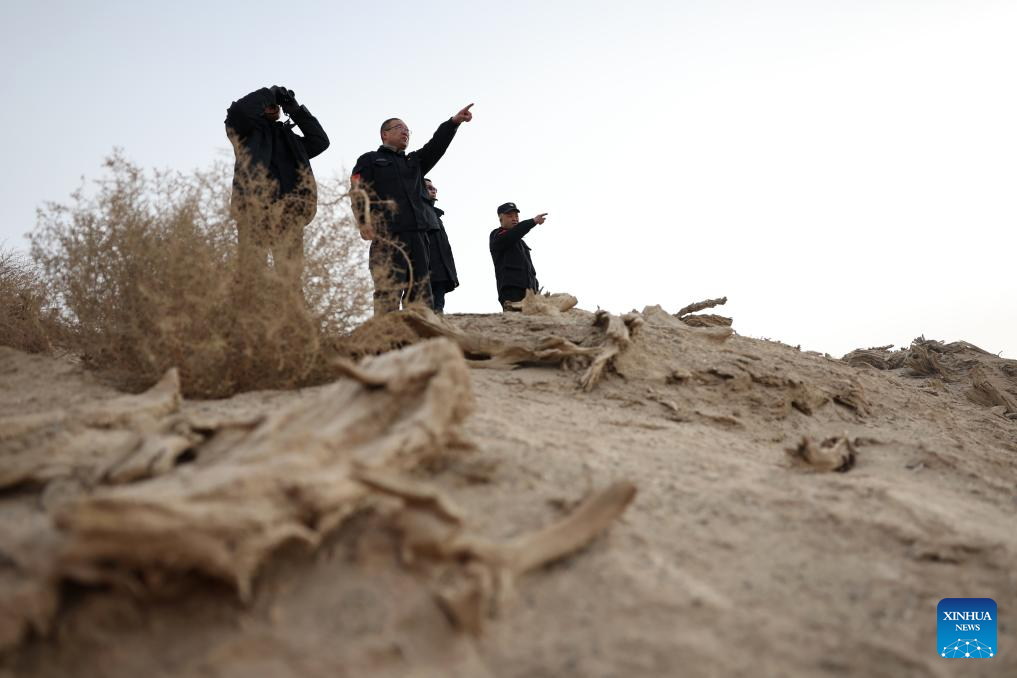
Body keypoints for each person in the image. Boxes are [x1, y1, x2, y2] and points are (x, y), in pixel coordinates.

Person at [351, 104, 474, 314]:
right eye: (399, 127)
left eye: (408, 130)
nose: (405, 132)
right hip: (388, 236)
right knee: (388, 292)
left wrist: (453, 123)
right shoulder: (370, 160)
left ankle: (420, 331)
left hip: (418, 237)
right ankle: (385, 333)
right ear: (384, 134)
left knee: (420, 294)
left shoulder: (414, 162)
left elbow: (436, 146)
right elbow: (357, 191)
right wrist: (363, 222)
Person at [225, 85, 329, 297]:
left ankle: (292, 317)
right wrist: (270, 93)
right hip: (254, 210)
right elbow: (238, 111)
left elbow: (320, 141)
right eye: (269, 105)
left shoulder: (291, 140)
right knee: (252, 273)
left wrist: (294, 108)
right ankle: (250, 316)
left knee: (291, 277)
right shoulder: (245, 134)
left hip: (290, 212)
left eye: (277, 105)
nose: (275, 107)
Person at [489, 202, 548, 309]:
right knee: (514, 318)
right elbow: (515, 233)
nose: (514, 219)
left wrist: (535, 288)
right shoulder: (497, 235)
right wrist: (533, 221)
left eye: (516, 216)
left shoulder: (521, 242)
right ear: (501, 218)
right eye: (510, 216)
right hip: (512, 290)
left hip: (530, 293)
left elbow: (530, 270)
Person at [423, 178, 459, 313]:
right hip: (424, 268)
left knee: (438, 308)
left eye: (434, 188)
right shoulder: (416, 210)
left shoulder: (436, 215)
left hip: (441, 269)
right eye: (429, 188)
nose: (434, 191)